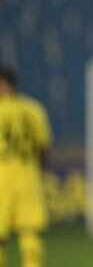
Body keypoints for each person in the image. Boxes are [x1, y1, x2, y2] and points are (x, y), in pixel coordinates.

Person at [0, 66, 51, 267]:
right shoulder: (34, 110)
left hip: (2, 178)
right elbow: (43, 147)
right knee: (30, 231)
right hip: (29, 177)